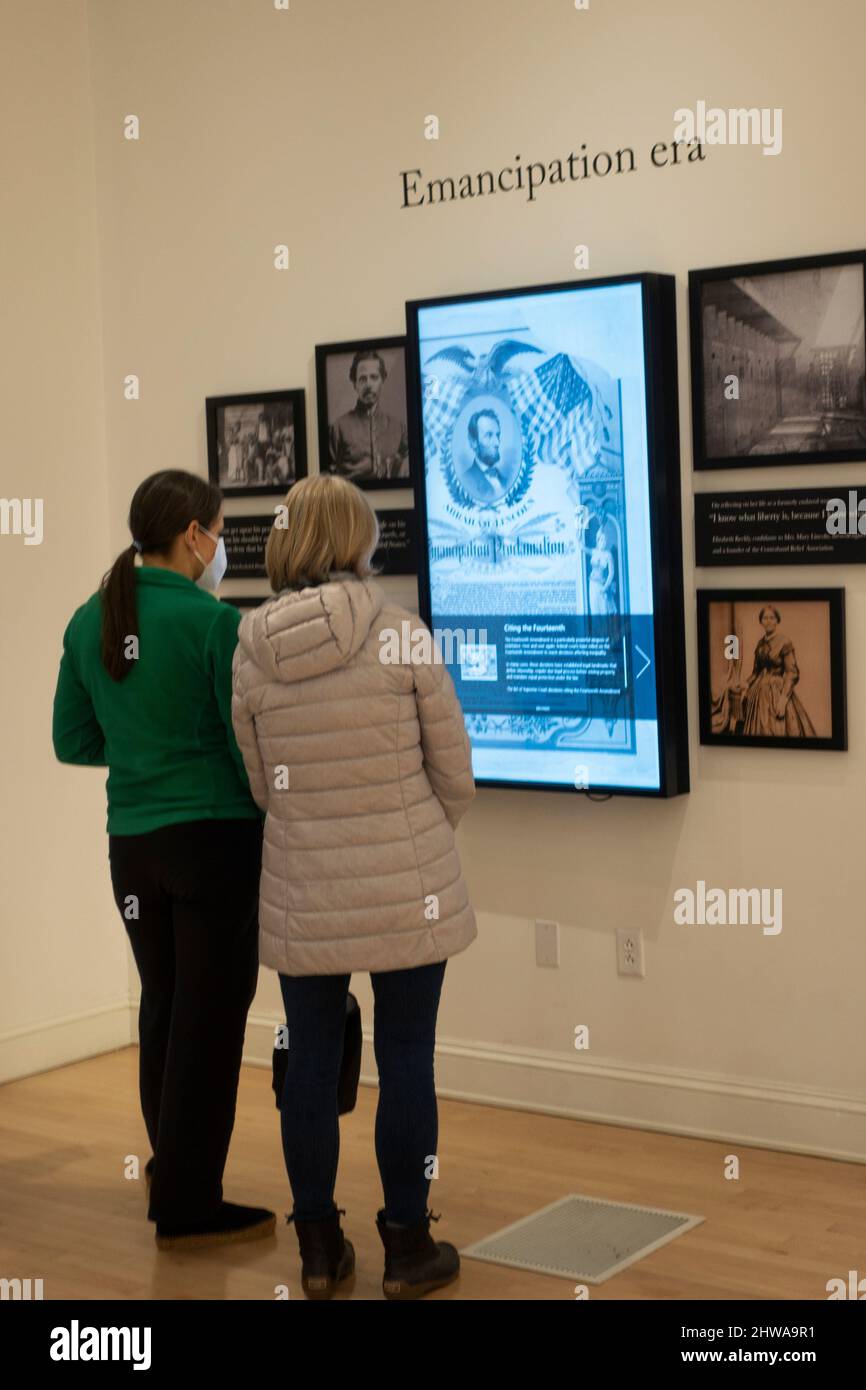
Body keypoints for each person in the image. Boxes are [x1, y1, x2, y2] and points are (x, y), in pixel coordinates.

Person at [231, 473, 477, 1300]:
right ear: (357, 541)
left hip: (304, 889)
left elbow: (264, 786)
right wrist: (412, 826)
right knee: (407, 1057)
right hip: (411, 887)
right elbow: (457, 774)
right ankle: (407, 1249)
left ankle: (317, 1250)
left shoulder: (250, 648)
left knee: (308, 1060)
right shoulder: (401, 634)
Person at [51, 469, 275, 1251]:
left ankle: (169, 1165)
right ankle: (187, 1203)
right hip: (213, 841)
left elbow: (71, 740)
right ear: (194, 537)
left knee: (164, 1006)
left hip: (132, 847)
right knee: (209, 1024)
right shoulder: (214, 622)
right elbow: (246, 740)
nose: (219, 547)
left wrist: (142, 750)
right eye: (216, 531)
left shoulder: (91, 618)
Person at [328, 349, 409, 481]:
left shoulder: (399, 428)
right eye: (362, 379)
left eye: (374, 377)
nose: (369, 385)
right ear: (355, 384)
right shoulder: (338, 428)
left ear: (383, 380)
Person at [740, 605, 817, 737]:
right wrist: (746, 684)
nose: (768, 621)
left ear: (777, 621)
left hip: (777, 692)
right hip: (758, 695)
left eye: (772, 618)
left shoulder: (784, 642)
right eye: (765, 618)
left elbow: (792, 673)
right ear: (761, 621)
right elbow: (756, 672)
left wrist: (783, 699)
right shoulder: (760, 644)